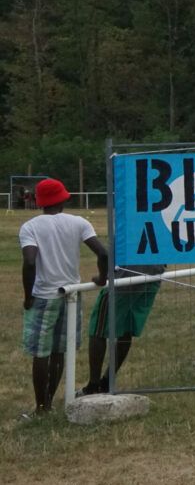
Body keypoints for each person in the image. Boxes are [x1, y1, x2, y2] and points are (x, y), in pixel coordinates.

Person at [19, 178, 108, 416]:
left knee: (41, 353)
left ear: (39, 202)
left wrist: (28, 296)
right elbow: (103, 253)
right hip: (71, 295)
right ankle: (49, 399)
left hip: (44, 295)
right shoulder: (79, 222)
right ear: (63, 199)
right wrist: (102, 278)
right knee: (59, 350)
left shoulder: (30, 227)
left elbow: (30, 262)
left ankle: (41, 407)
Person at [78, 263, 166, 395]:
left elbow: (103, 253)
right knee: (126, 328)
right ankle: (106, 383)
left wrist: (103, 276)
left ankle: (93, 386)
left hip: (126, 274)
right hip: (155, 272)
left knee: (98, 329)